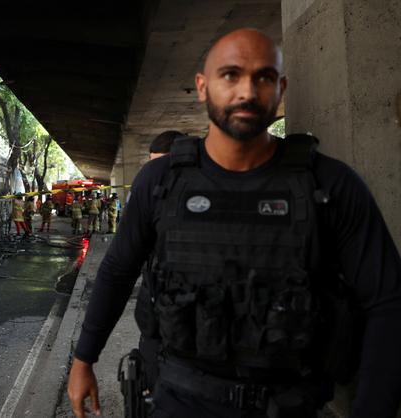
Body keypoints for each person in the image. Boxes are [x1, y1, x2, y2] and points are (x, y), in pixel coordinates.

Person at [67, 28, 401, 418]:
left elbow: (387, 302)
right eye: (230, 75)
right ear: (202, 86)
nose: (247, 91)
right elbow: (117, 271)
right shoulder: (159, 182)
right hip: (181, 401)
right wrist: (83, 358)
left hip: (291, 404)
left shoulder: (330, 185)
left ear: (281, 89)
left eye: (264, 77)